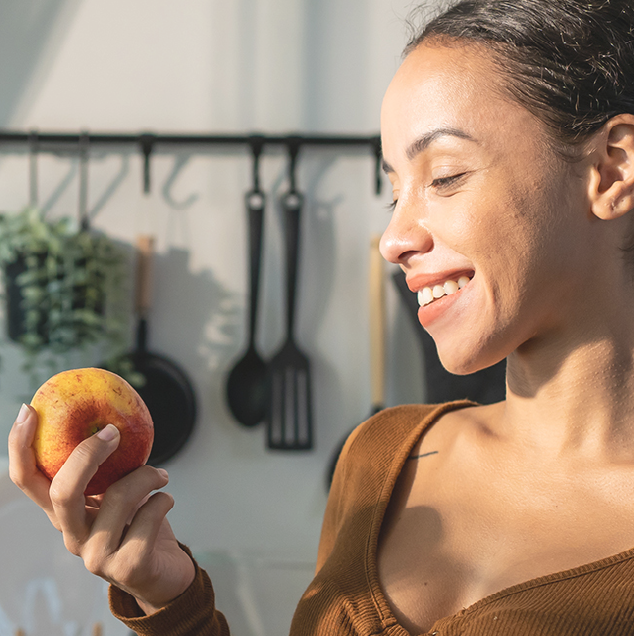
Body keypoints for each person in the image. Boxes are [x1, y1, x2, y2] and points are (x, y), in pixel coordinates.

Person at [9, 0, 634, 633]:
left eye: (444, 175)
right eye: (394, 189)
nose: (392, 239)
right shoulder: (384, 458)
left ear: (611, 168)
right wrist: (167, 598)